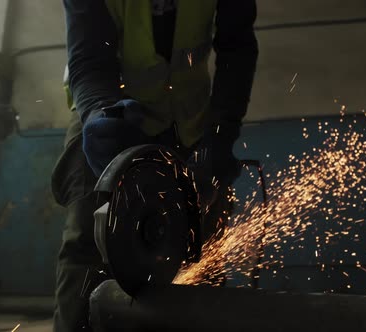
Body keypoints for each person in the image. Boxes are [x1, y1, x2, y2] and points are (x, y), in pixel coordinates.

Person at [51, 0, 258, 331]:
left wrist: (221, 134)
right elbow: (89, 58)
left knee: (204, 243)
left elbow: (237, 50)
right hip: (108, 111)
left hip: (189, 117)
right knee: (89, 240)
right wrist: (98, 114)